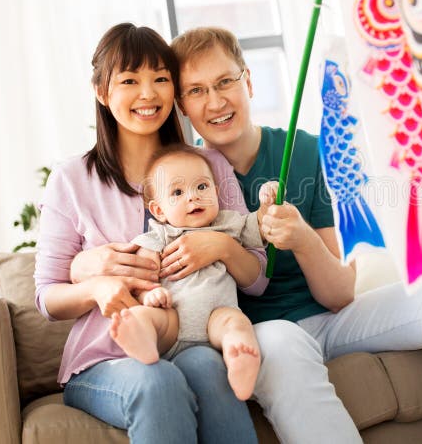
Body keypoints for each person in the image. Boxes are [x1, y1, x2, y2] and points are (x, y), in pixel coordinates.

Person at [168, 26, 422, 443]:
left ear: (247, 80)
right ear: (182, 105)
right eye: (196, 91)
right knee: (283, 344)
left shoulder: (307, 151)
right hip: (262, 331)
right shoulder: (183, 179)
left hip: (334, 319)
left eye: (225, 81)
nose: (215, 101)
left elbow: (340, 294)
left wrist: (302, 237)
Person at [34, 23, 264, 444]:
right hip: (103, 360)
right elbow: (47, 297)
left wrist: (223, 245)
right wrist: (97, 287)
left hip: (193, 341)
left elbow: (258, 278)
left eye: (160, 78)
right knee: (156, 381)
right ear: (102, 92)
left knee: (211, 370)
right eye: (129, 80)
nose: (148, 93)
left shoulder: (209, 165)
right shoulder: (71, 180)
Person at [109, 144, 277, 401]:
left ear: (216, 192)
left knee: (236, 323)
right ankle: (141, 339)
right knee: (146, 314)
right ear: (158, 211)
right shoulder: (160, 235)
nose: (193, 197)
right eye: (177, 192)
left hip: (215, 319)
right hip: (171, 319)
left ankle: (240, 357)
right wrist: (150, 296)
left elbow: (260, 229)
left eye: (202, 187)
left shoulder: (228, 223)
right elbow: (143, 275)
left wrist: (268, 207)